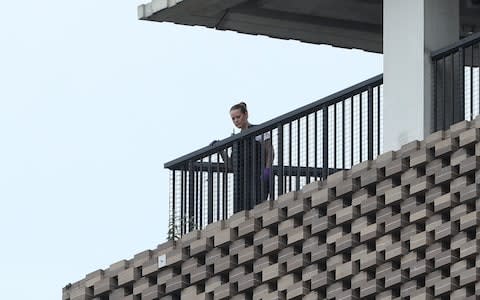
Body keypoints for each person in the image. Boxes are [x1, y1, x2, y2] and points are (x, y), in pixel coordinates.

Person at [213, 102, 274, 211]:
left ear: (246, 114)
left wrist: (267, 170)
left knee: (258, 206)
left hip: (258, 177)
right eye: (233, 119)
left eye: (238, 117)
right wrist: (220, 150)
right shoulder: (236, 140)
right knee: (242, 212)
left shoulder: (259, 130)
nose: (236, 120)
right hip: (242, 182)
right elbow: (231, 165)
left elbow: (270, 151)